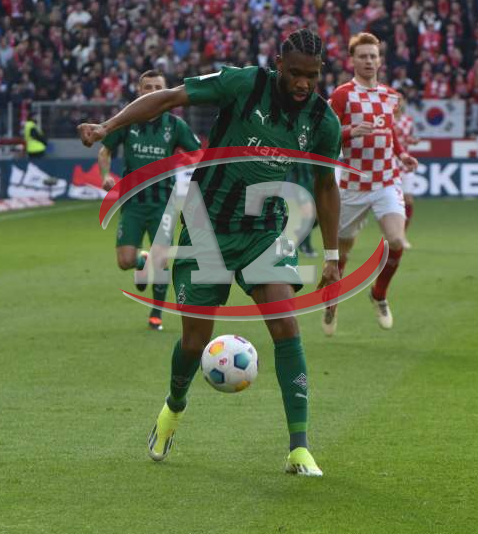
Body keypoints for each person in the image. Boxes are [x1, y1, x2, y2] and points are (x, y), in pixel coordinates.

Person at [78, 29, 342, 477]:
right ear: (279, 64)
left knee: (286, 326)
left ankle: (299, 448)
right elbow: (168, 98)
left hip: (263, 230)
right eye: (296, 73)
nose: (303, 83)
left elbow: (325, 185)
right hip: (206, 227)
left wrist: (332, 256)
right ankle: (174, 406)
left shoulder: (321, 120)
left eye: (312, 76)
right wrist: (108, 127)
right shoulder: (243, 83)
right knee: (194, 341)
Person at [323, 32, 418, 336]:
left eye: (373, 56)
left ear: (380, 60)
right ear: (352, 60)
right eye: (362, 56)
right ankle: (331, 302)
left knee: (397, 241)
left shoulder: (391, 96)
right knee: (342, 252)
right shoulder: (342, 95)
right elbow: (324, 134)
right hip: (353, 185)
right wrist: (349, 131)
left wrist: (402, 155)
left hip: (386, 181)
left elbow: (389, 132)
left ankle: (379, 294)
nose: (368, 61)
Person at [98, 70, 202, 332]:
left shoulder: (175, 126)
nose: (153, 91)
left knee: (162, 261)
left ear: (166, 92)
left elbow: (198, 154)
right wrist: (105, 175)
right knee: (125, 261)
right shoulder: (127, 121)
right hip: (132, 203)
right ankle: (141, 261)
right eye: (148, 87)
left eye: (158, 87)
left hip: (163, 204)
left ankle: (156, 314)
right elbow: (105, 150)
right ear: (139, 91)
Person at [393, 108, 419, 249]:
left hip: (405, 165)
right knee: (394, 203)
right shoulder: (386, 117)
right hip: (390, 164)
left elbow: (408, 137)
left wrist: (412, 141)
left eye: (401, 99)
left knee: (408, 201)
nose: (398, 101)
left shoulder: (408, 120)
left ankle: (402, 234)